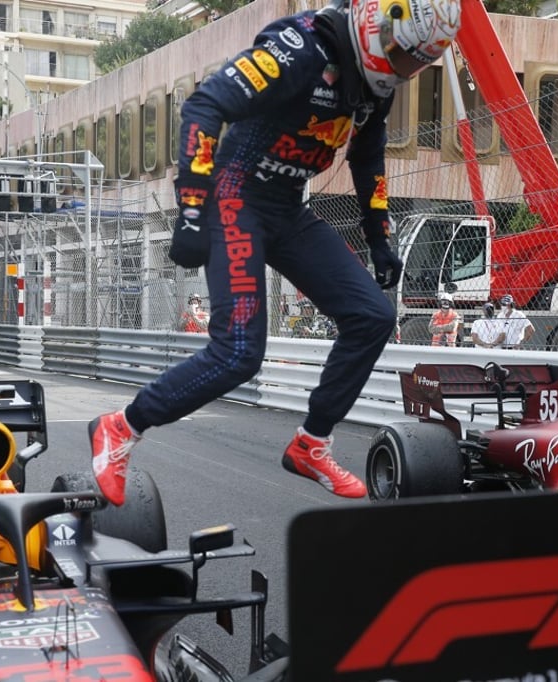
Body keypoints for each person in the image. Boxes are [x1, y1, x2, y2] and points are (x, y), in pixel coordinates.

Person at [87, 0, 462, 504]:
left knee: (372, 315)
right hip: (233, 199)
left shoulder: (376, 90)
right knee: (239, 354)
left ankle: (311, 443)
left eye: (416, 62)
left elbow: (367, 158)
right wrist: (193, 208)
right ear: (377, 22)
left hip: (286, 208)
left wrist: (379, 238)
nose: (404, 69)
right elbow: (205, 106)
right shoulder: (300, 48)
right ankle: (121, 427)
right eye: (402, 54)